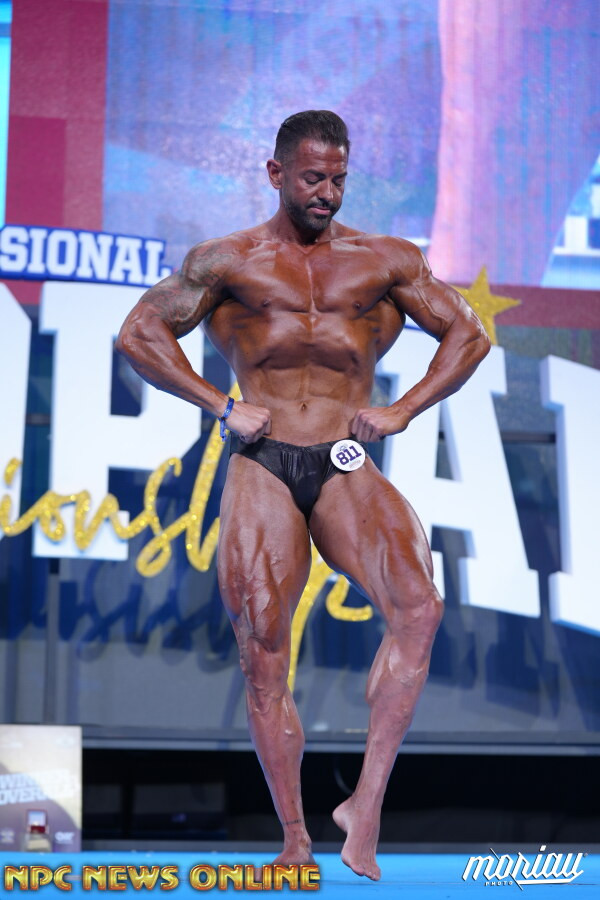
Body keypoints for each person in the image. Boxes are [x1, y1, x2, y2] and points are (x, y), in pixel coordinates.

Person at [116, 110, 490, 881]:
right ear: (276, 173)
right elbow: (139, 334)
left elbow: (470, 335)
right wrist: (220, 405)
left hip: (344, 458)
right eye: (314, 177)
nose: (328, 192)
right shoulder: (228, 261)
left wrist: (403, 409)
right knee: (263, 647)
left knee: (418, 608)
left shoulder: (384, 260)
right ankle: (293, 839)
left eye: (339, 179)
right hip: (262, 461)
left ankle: (365, 806)